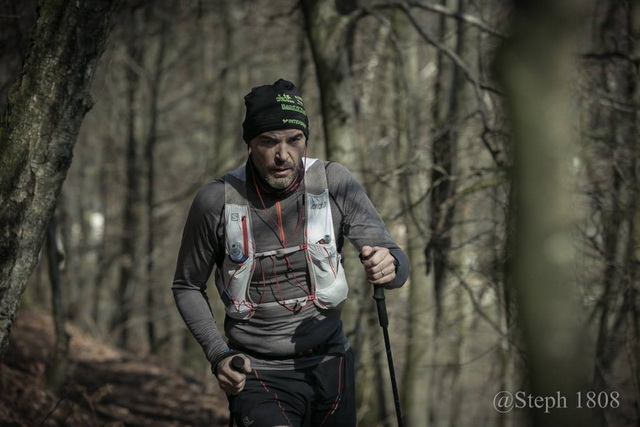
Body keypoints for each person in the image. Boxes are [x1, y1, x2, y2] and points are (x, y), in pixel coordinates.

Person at [172, 78, 409, 427]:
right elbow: (187, 285)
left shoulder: (334, 183)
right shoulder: (216, 201)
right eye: (269, 142)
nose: (283, 155)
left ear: (305, 140)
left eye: (294, 140)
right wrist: (218, 354)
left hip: (332, 363)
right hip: (257, 372)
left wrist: (390, 265)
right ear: (250, 144)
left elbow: (397, 263)